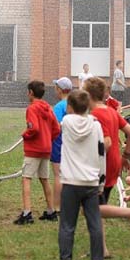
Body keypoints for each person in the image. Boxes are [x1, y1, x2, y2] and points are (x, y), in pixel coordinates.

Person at [85, 77, 130, 255]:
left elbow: (106, 143)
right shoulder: (112, 112)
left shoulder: (95, 115)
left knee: (90, 208)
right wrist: (126, 156)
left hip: (100, 166)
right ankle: (101, 248)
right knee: (98, 204)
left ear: (88, 94)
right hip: (114, 164)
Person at [53, 88, 107, 260]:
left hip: (70, 181)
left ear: (70, 107)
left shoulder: (66, 122)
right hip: (91, 182)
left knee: (67, 224)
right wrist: (101, 181)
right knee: (94, 224)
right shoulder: (96, 125)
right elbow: (102, 154)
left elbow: (59, 123)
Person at [15, 80, 60, 224]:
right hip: (46, 150)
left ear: (31, 93)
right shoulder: (48, 108)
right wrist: (48, 139)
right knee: (44, 179)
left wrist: (25, 135)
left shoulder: (32, 108)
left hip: (34, 150)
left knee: (26, 178)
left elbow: (33, 128)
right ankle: (51, 211)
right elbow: (57, 129)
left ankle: (27, 213)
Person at [49, 77, 73, 220]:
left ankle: (57, 207)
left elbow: (56, 126)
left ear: (59, 90)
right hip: (73, 144)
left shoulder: (59, 106)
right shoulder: (75, 104)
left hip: (59, 144)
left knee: (58, 175)